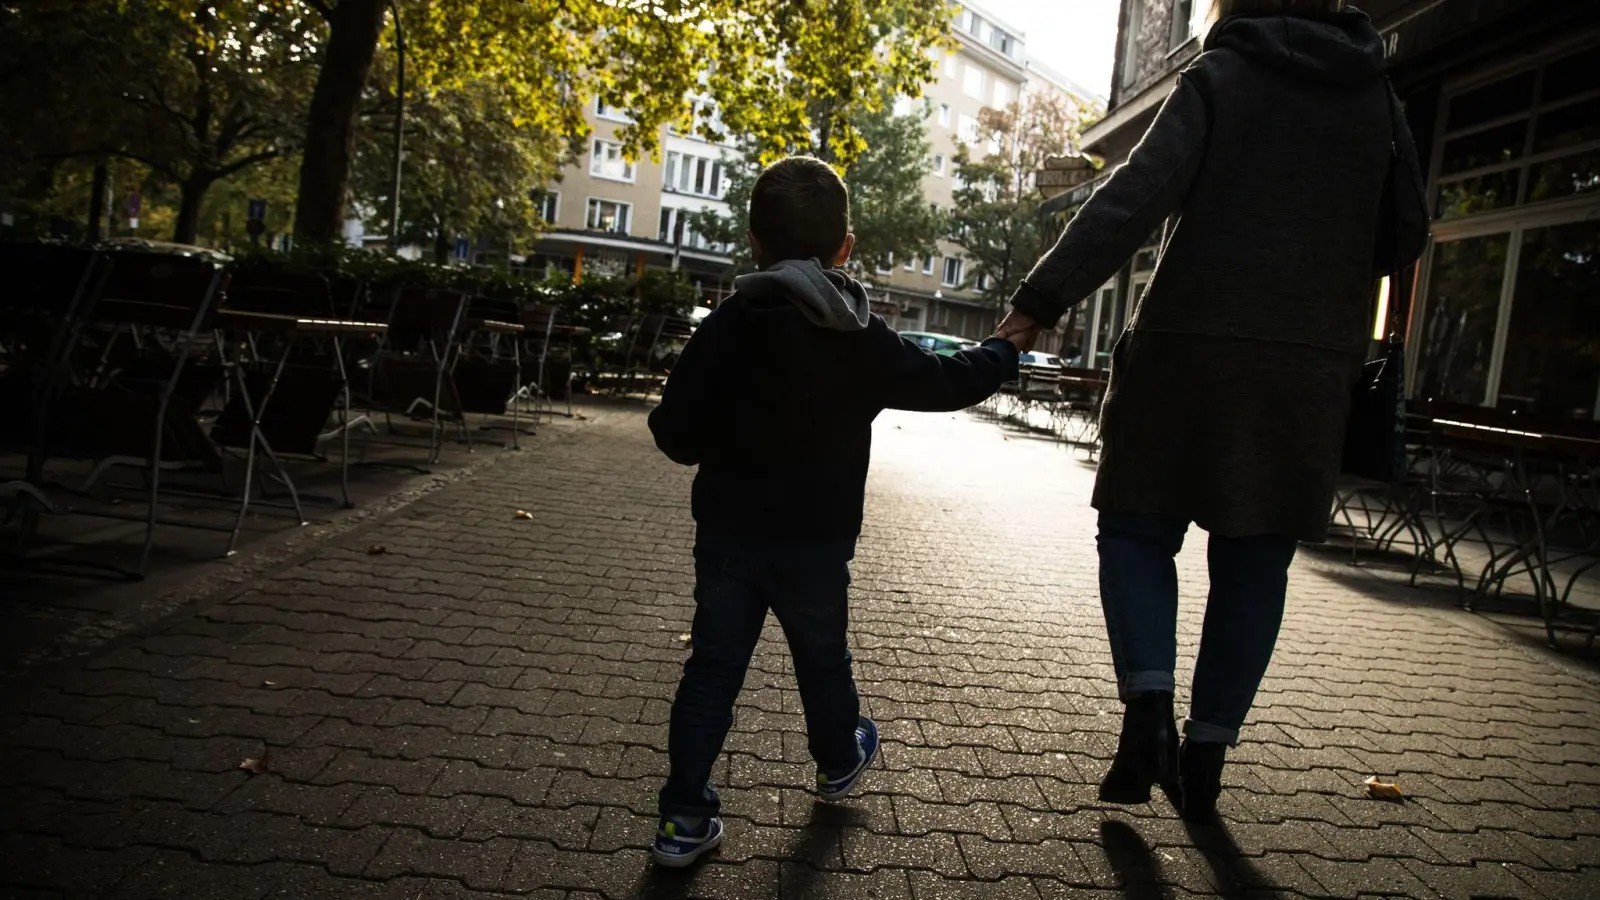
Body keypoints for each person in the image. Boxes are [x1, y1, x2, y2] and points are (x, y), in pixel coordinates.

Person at [996, 0, 1428, 821]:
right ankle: (1207, 757)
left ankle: (1146, 715)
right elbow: (1406, 230)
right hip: (1305, 370)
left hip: (1186, 348)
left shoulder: (1223, 74)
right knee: (1256, 561)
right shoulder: (1378, 99)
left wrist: (1038, 302)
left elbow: (1136, 196)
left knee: (1135, 528)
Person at [647, 155, 1024, 866]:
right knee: (822, 657)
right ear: (844, 248)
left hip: (728, 533)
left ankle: (682, 819)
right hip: (817, 541)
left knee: (712, 670)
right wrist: (1003, 350)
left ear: (753, 241)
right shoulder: (857, 335)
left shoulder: (729, 324)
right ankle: (837, 756)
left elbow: (675, 432)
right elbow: (944, 381)